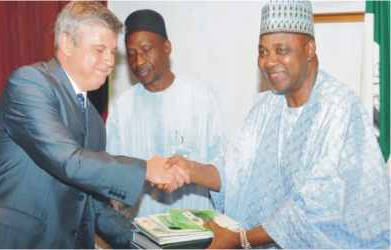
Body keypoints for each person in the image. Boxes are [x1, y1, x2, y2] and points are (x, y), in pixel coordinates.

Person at [163, 0, 390, 248]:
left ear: (310, 50)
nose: (269, 61)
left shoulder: (339, 110)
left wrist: (240, 240)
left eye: (281, 50)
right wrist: (188, 170)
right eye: (263, 51)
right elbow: (233, 172)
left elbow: (316, 208)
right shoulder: (265, 107)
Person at [0, 2, 189, 249]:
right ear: (65, 43)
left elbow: (94, 208)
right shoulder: (29, 84)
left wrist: (154, 243)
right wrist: (146, 169)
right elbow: (68, 161)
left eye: (112, 51)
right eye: (99, 49)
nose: (109, 61)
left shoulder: (95, 121)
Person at [105, 9, 225, 221]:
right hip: (141, 234)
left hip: (195, 231)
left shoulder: (200, 97)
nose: (139, 61)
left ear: (166, 48)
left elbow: (220, 169)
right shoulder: (122, 108)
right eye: (131, 54)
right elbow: (113, 178)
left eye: (146, 49)